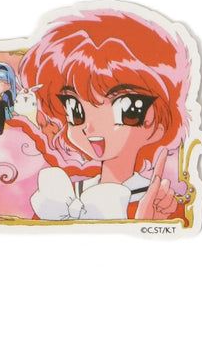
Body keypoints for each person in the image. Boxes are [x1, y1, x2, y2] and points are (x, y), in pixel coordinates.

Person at [20, 11, 191, 222]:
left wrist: (143, 223)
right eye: (76, 110)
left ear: (157, 126)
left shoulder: (159, 202)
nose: (90, 127)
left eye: (124, 108)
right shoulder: (66, 195)